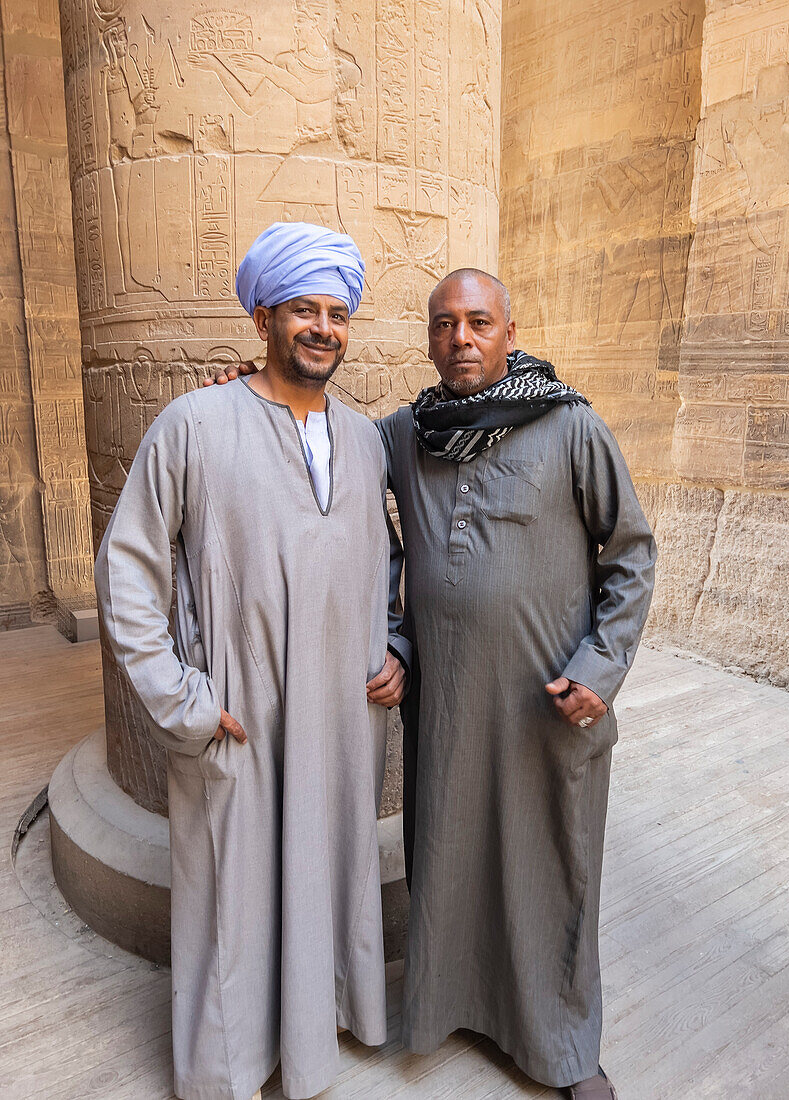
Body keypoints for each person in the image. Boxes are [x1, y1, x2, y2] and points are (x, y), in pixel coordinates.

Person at [207, 267, 656, 1100]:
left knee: (554, 866)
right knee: (447, 856)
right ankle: (451, 1007)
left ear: (509, 333)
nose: (461, 339)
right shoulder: (405, 434)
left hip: (548, 704)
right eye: (444, 324)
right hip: (446, 702)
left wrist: (600, 668)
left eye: (478, 322)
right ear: (428, 337)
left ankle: (561, 1046)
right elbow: (320, 435)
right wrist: (251, 390)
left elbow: (630, 554)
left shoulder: (570, 426)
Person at [95, 221, 409, 1100]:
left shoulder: (364, 441)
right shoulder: (194, 422)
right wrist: (181, 700)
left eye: (337, 312)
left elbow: (388, 565)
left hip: (343, 719)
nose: (323, 327)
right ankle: (229, 1071)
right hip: (237, 715)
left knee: (322, 876)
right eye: (303, 309)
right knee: (236, 898)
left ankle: (314, 1043)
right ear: (263, 317)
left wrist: (397, 647)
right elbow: (128, 569)